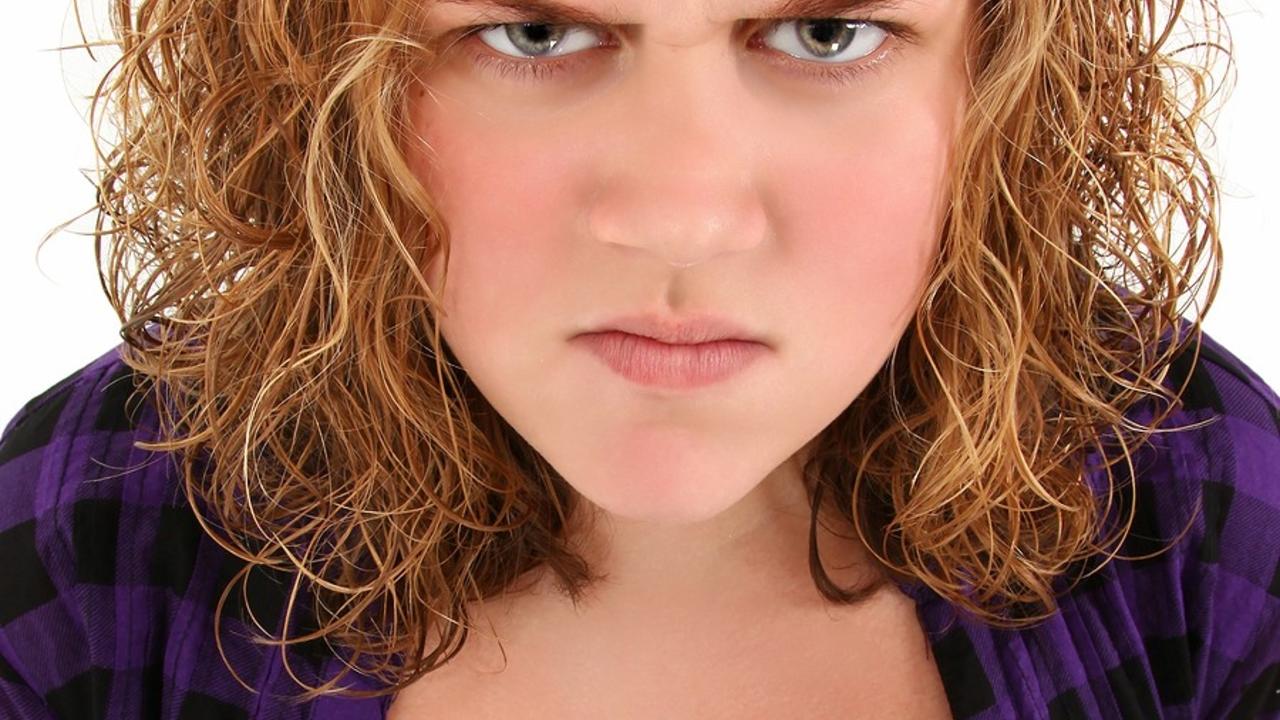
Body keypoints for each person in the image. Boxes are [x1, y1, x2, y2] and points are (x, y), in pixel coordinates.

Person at [1, 0, 1277, 718]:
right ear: (321, 66)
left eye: (824, 31)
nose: (680, 216)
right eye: (534, 33)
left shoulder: (1186, 500)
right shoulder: (99, 526)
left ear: (1003, 74)